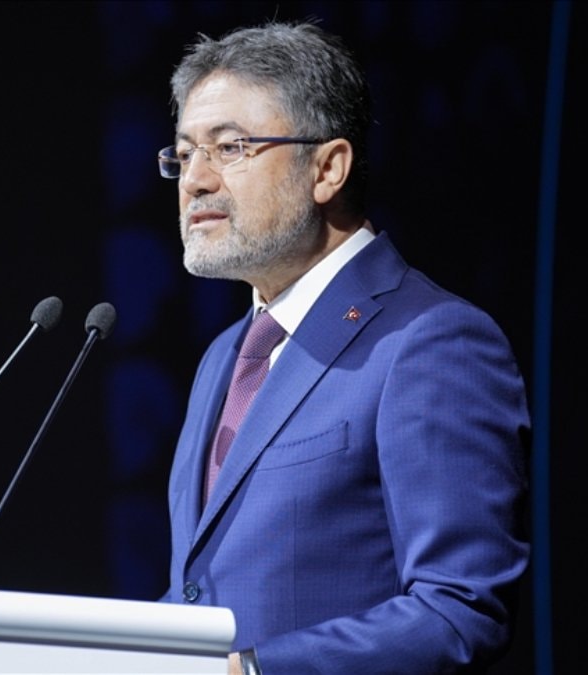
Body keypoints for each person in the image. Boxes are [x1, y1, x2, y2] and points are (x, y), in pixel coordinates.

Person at [156, 20, 530, 674]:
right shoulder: (223, 357)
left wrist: (251, 670)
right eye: (184, 155)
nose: (196, 180)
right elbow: (203, 592)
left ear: (327, 168)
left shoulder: (429, 341)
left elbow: (459, 610)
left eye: (230, 147)